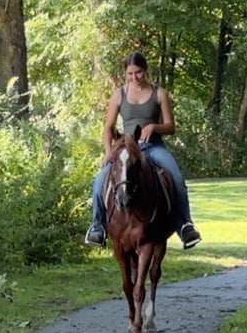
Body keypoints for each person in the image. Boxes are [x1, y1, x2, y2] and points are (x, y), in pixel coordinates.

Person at [84, 51, 202, 250]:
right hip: (126, 149)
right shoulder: (119, 94)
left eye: (137, 73)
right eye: (129, 74)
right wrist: (108, 151)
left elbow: (171, 126)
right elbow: (108, 127)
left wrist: (154, 127)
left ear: (145, 71)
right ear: (125, 74)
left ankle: (185, 225)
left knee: (177, 179)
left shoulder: (159, 93)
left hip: (153, 146)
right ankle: (97, 226)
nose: (134, 78)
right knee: (99, 180)